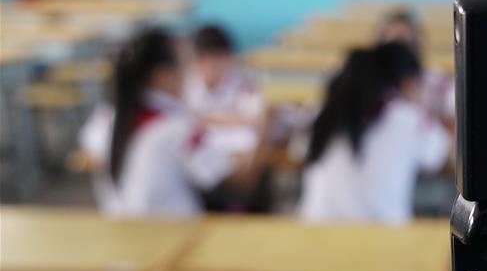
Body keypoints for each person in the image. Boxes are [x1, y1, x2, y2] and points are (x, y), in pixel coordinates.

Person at [109, 28, 273, 217]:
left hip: (130, 223)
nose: (192, 73)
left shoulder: (117, 116)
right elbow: (242, 184)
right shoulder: (176, 128)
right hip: (172, 228)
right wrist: (266, 126)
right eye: (187, 64)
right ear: (163, 75)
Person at [297, 42, 450, 224]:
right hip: (383, 235)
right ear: (409, 83)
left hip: (313, 231)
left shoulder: (328, 113)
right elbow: (439, 155)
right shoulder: (408, 119)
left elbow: (298, 150)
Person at [184, 25, 264, 127]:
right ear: (197, 60)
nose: (215, 65)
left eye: (220, 57)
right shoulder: (188, 83)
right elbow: (184, 117)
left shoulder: (245, 82)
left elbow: (253, 119)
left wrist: (205, 119)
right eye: (209, 59)